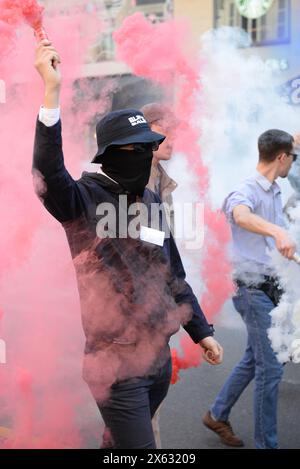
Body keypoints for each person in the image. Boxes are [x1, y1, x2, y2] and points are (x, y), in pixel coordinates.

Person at [33, 40, 223, 449]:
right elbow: (46, 174)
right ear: (112, 154)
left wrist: (201, 331)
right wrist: (51, 91)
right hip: (116, 367)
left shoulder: (152, 203)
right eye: (138, 148)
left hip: (156, 361)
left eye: (150, 146)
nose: (148, 154)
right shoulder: (82, 199)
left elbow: (173, 275)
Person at [203, 129, 298, 449]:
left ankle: (217, 413)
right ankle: (266, 445)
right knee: (270, 368)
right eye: (292, 158)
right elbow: (240, 215)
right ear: (282, 157)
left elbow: (291, 141)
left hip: (269, 287)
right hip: (251, 289)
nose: (293, 165)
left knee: (253, 359)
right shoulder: (246, 190)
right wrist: (276, 231)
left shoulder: (273, 189)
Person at [141, 103, 178, 235]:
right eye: (165, 131)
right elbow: (135, 234)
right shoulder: (134, 179)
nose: (171, 141)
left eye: (173, 133)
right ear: (144, 133)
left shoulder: (162, 180)